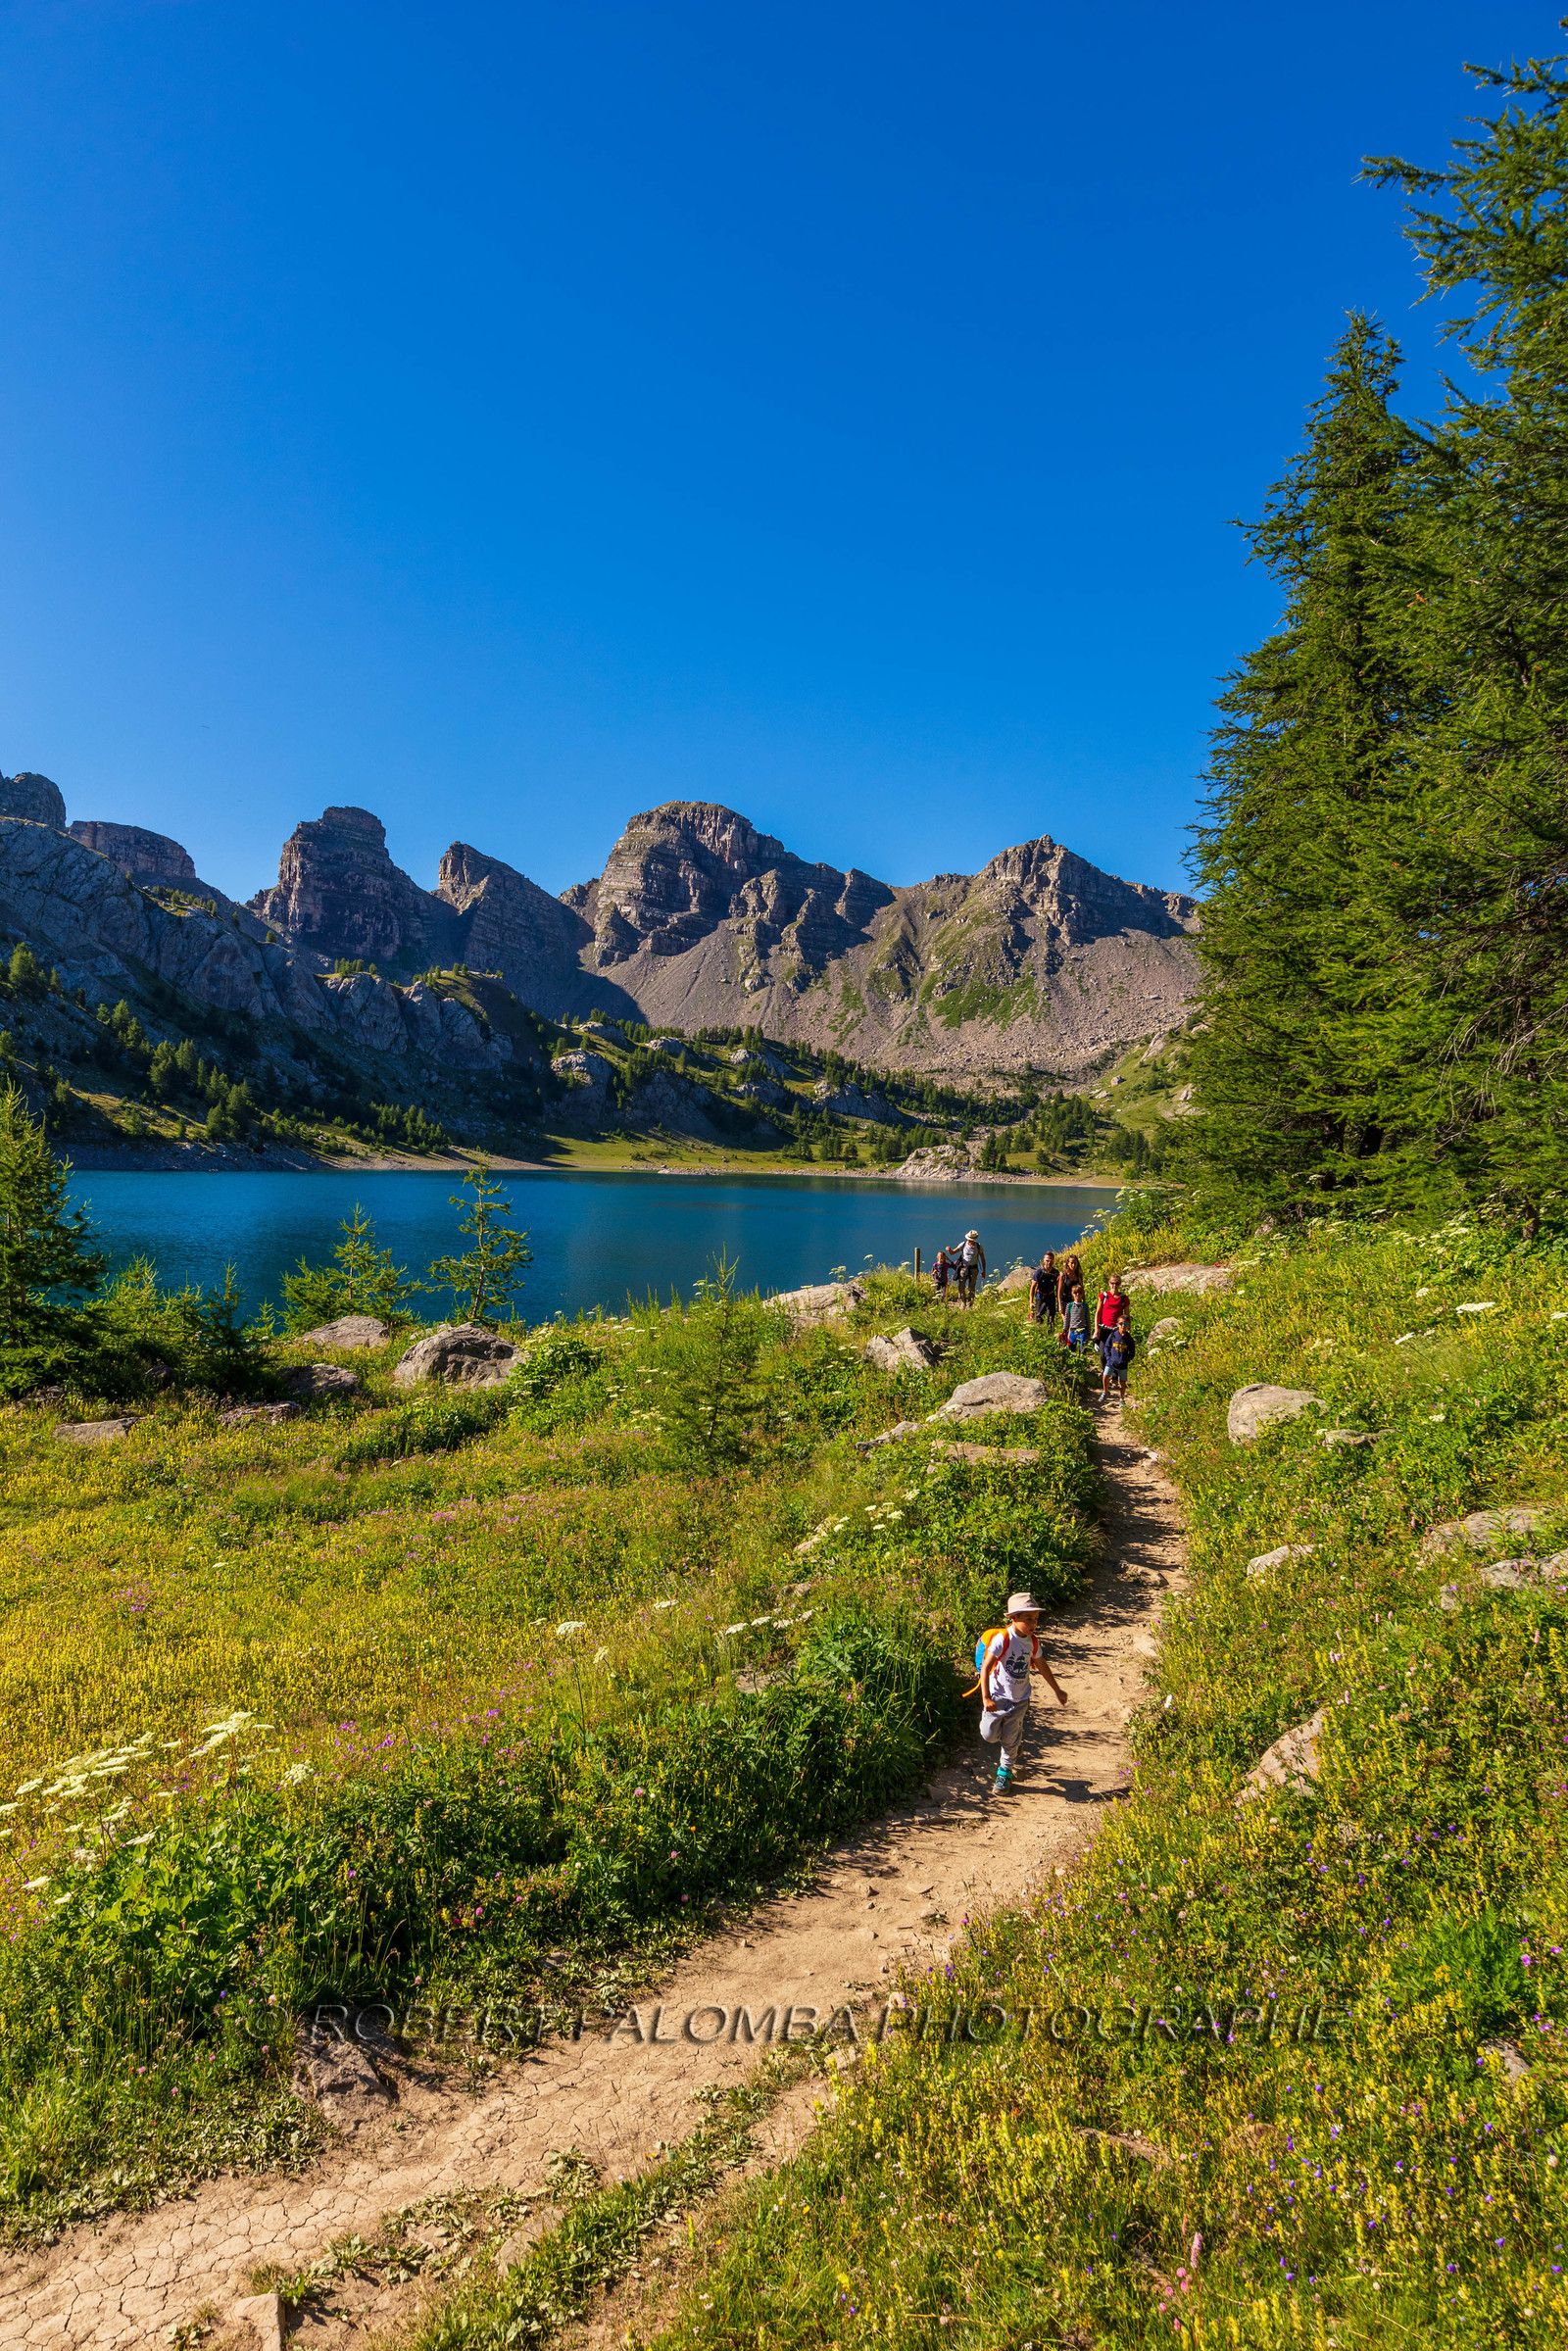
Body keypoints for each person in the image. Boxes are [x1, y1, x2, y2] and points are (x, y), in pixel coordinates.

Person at [979, 1592, 1068, 1793]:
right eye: (1028, 1619)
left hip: (1020, 1699)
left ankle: (1004, 1773)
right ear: (1014, 1618)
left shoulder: (1032, 1642)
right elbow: (986, 1668)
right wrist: (985, 1697)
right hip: (997, 1698)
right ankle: (1014, 1741)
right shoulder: (1003, 1639)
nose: (1033, 1624)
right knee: (989, 1735)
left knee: (1009, 1739)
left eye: (1035, 1619)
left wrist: (1057, 1690)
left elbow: (1042, 1666)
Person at [1094, 1269, 1130, 1377]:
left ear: (1119, 1284)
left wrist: (1128, 1330)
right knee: (1103, 1354)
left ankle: (1114, 1375)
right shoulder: (1103, 1296)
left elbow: (1127, 1316)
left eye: (1117, 1283)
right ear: (1109, 1283)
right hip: (1104, 1329)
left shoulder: (1123, 1298)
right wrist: (1096, 1329)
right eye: (1112, 1283)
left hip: (1116, 1330)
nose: (1114, 1285)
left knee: (1115, 1353)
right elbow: (1098, 1313)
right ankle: (1105, 1374)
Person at [1100, 1308, 1136, 1404]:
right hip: (1111, 1362)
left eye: (1125, 1324)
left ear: (1128, 1326)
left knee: (1122, 1382)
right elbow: (1107, 1347)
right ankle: (1105, 1391)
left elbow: (1132, 1351)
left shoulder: (1129, 1339)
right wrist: (1108, 1358)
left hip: (1122, 1363)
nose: (1123, 1326)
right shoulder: (1113, 1335)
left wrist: (1127, 1359)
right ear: (1117, 1325)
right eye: (1121, 1324)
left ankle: (1121, 1399)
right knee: (1105, 1376)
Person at [1054, 1252, 1084, 1341]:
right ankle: (1067, 1342)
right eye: (1071, 1263)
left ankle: (1068, 1342)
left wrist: (1083, 1302)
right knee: (1067, 1323)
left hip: (1075, 1303)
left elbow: (1082, 1289)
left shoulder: (1079, 1275)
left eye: (1075, 1263)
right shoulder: (1063, 1275)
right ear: (1067, 1263)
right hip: (1064, 1302)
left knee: (1073, 1323)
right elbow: (1059, 1292)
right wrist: (1059, 1304)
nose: (1073, 1265)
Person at [1028, 1249, 1059, 1328]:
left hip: (1051, 1297)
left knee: (1051, 1317)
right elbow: (1033, 1287)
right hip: (1040, 1297)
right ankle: (1039, 1335)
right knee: (1039, 1317)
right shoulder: (1039, 1272)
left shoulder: (1055, 1273)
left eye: (1051, 1260)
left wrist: (1059, 1301)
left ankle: (1050, 1334)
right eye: (1047, 1260)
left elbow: (1058, 1287)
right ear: (1044, 1260)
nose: (1049, 1262)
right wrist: (1031, 1302)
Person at [956, 1229, 986, 1306]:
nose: (969, 1241)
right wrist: (949, 1250)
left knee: (972, 1287)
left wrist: (984, 1271)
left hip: (974, 1269)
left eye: (971, 1240)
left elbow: (983, 1259)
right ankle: (962, 1302)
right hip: (964, 1268)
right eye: (969, 1239)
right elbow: (953, 1252)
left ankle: (970, 1303)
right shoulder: (963, 1244)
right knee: (961, 1286)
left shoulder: (978, 1247)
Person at [1063, 1282, 1090, 1352]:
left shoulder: (1085, 1306)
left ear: (1082, 1294)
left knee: (1083, 1349)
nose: (1077, 1294)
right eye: (1075, 1292)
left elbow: (1088, 1319)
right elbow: (1067, 1319)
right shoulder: (1070, 1305)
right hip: (1073, 1330)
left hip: (1083, 1331)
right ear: (1072, 1294)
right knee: (1071, 1349)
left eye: (1080, 1292)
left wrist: (1089, 1332)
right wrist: (1065, 1330)